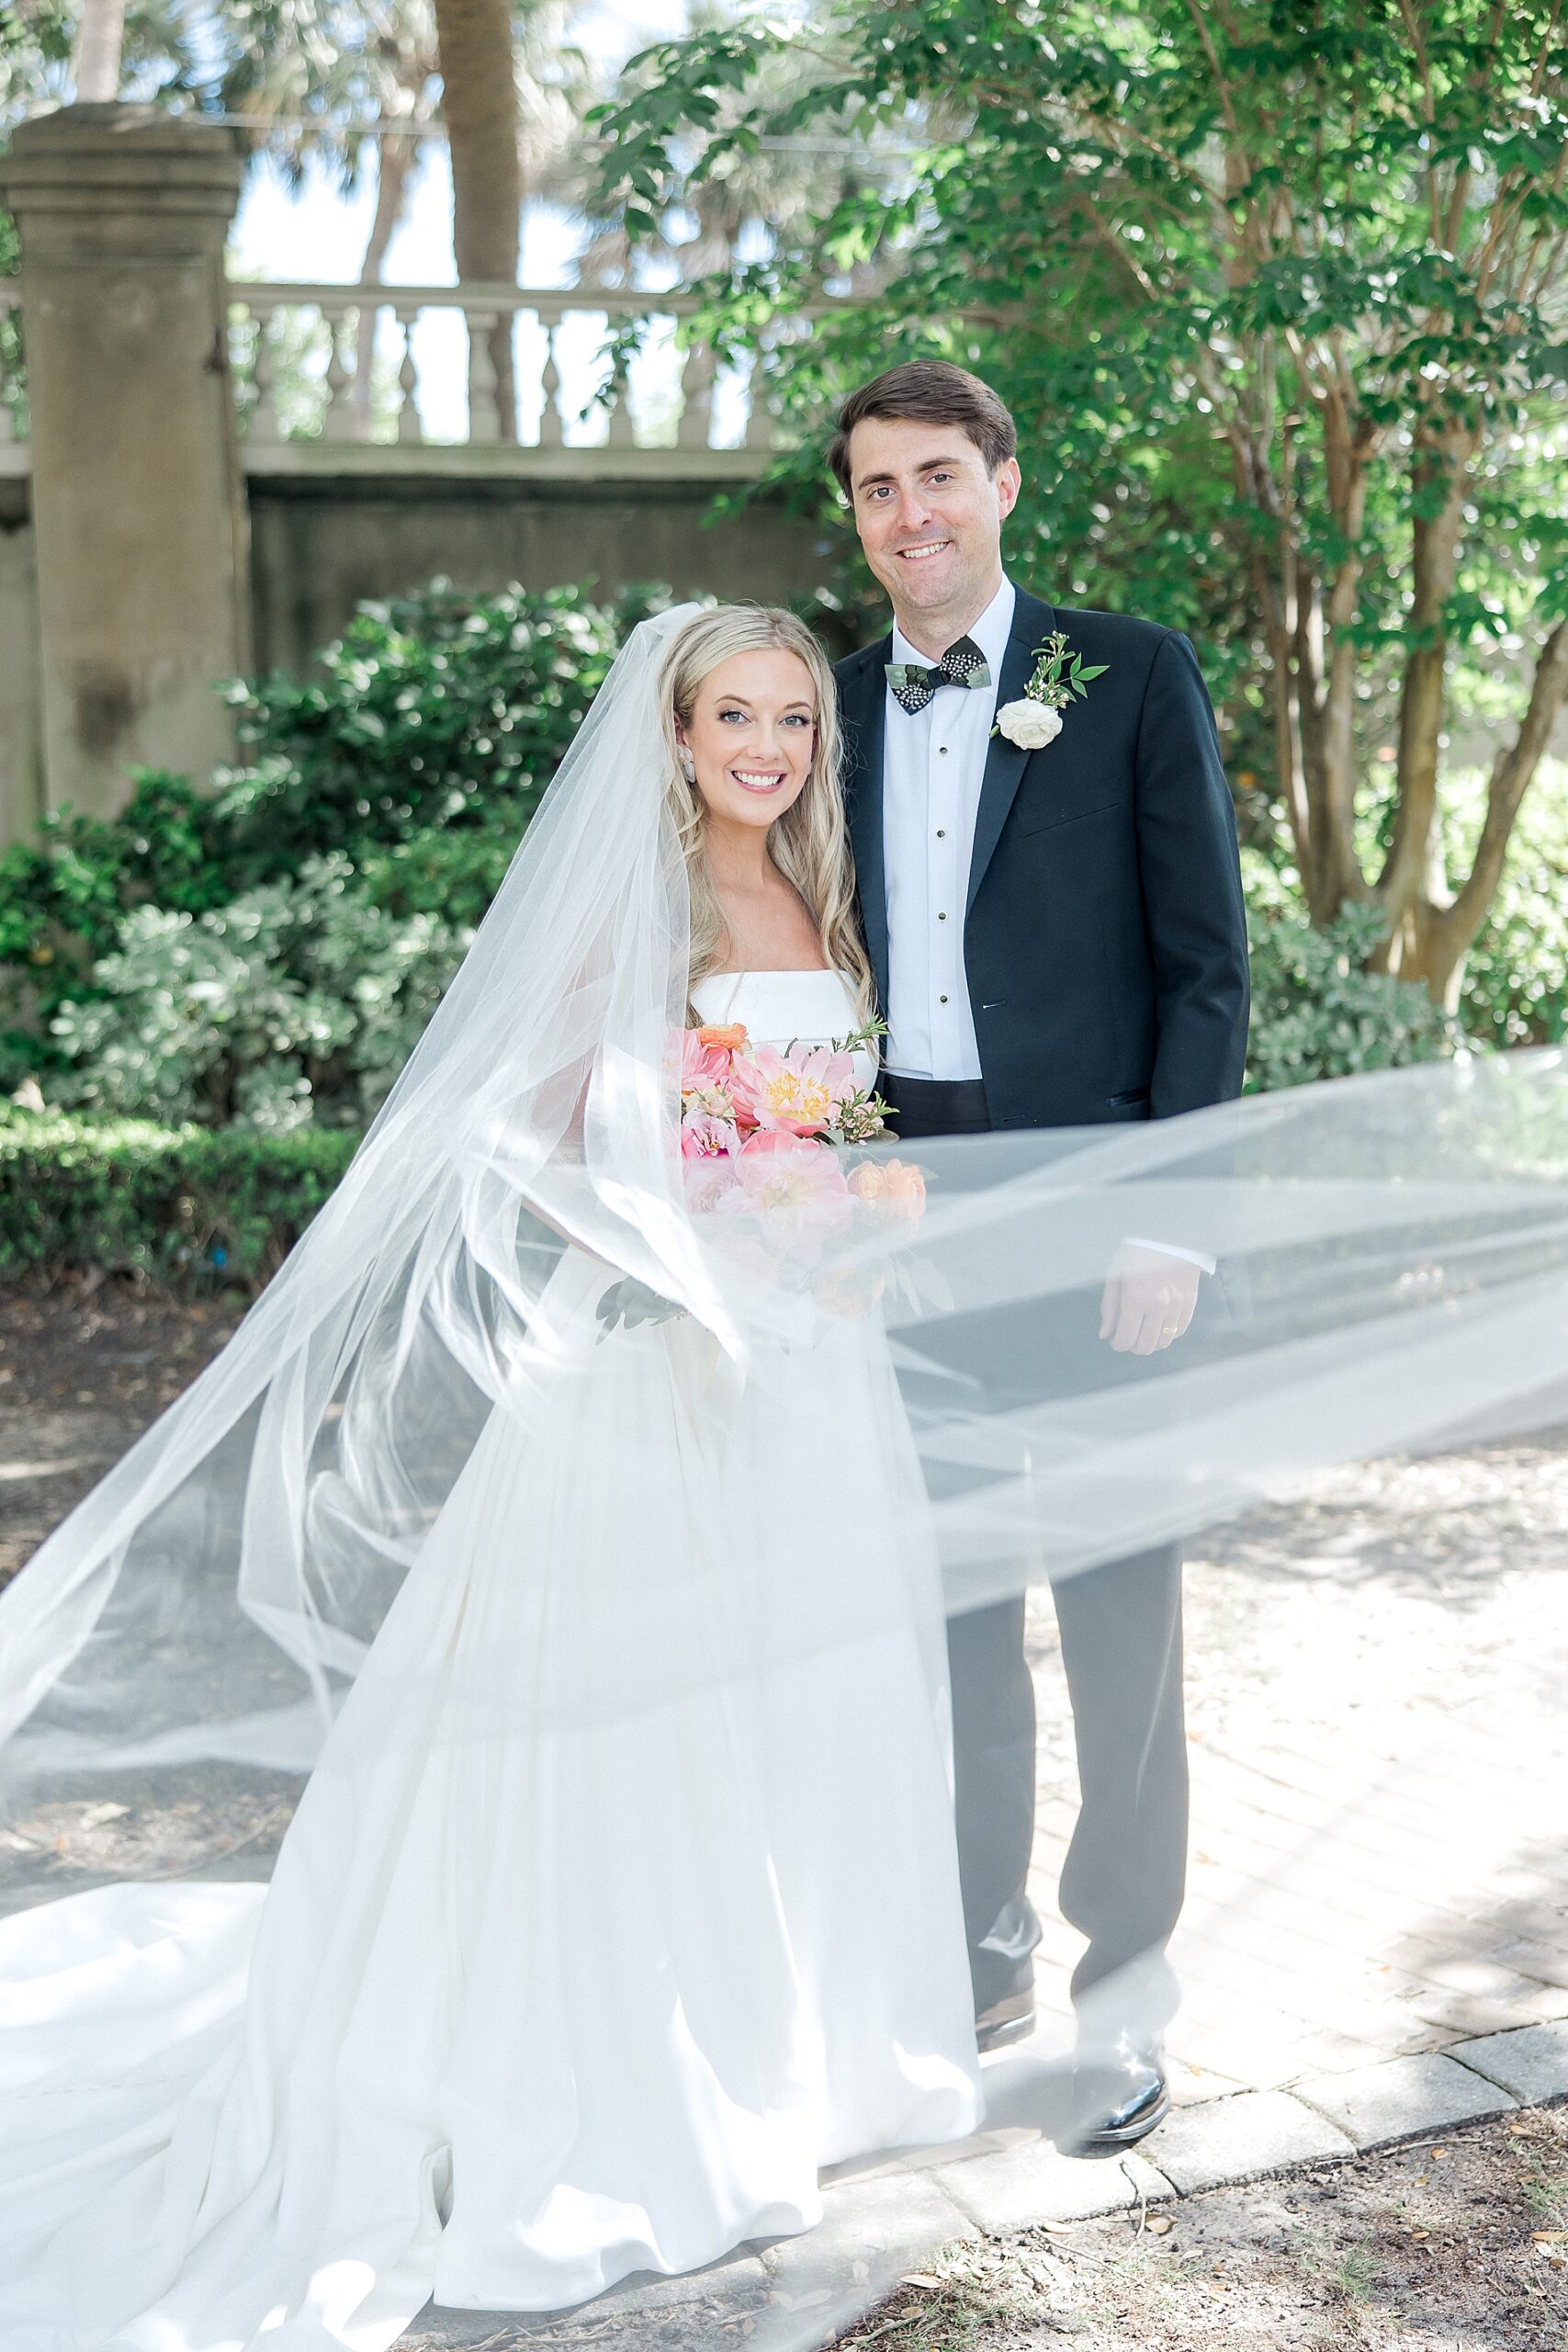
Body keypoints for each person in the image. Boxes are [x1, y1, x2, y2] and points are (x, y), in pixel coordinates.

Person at [0, 605, 984, 2347]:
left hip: (821, 1374)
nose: (768, 746)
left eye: (793, 721)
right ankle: (627, 2075)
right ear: (674, 738)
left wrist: (850, 1208)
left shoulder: (819, 904)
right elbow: (521, 1131)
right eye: (733, 717)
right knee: (657, 1733)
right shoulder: (647, 901)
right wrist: (695, 1226)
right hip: (666, 1373)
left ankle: (809, 2054)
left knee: (809, 1707)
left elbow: (827, 1129)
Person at [831, 361, 1250, 2145]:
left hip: (1095, 1211)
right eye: (873, 487)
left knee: (1113, 1607)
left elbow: (1202, 964)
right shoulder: (821, 705)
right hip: (893, 1208)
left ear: (1001, 478)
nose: (909, 513)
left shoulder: (1126, 668)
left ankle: (1121, 1994)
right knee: (941, 1610)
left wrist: (1170, 1213)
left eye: (938, 474)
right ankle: (976, 1954)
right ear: (850, 514)